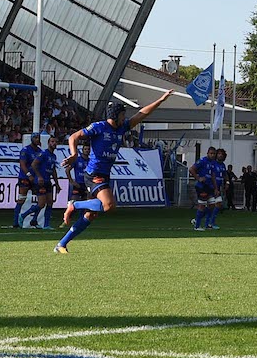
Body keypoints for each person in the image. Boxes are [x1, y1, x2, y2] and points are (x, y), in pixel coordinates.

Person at [55, 90, 171, 254]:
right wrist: (74, 154)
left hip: (104, 175)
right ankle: (74, 205)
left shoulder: (122, 127)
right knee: (108, 205)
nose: (125, 118)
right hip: (94, 174)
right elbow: (73, 137)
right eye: (123, 115)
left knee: (91, 215)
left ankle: (61, 244)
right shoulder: (99, 127)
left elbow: (141, 114)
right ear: (116, 115)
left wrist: (160, 100)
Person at [14, 133, 44, 229]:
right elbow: (22, 164)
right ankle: (15, 222)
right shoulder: (25, 150)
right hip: (25, 178)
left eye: (38, 138)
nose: (37, 139)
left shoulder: (40, 151)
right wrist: (29, 175)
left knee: (41, 201)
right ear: (31, 139)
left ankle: (33, 220)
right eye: (35, 138)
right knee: (21, 199)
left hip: (35, 179)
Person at [190, 150, 218, 231]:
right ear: (208, 153)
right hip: (202, 186)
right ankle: (197, 226)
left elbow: (213, 176)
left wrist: (216, 188)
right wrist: (198, 178)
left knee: (212, 205)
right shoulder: (202, 161)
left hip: (209, 187)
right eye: (211, 153)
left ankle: (203, 223)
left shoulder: (213, 163)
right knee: (202, 205)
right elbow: (191, 169)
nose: (212, 155)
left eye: (214, 154)